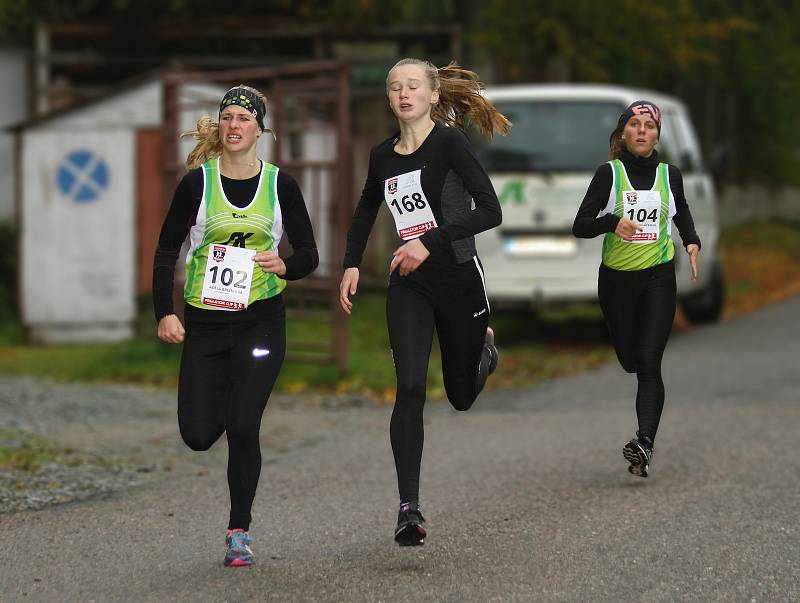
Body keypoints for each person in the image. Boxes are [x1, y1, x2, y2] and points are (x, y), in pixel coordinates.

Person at [339, 58, 510, 546]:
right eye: (395, 87)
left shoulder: (451, 143)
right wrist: (352, 261)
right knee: (410, 384)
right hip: (409, 284)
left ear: (434, 95)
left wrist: (430, 240)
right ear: (389, 99)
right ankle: (408, 508)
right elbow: (367, 206)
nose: (403, 94)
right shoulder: (382, 156)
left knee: (459, 396)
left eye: (413, 86)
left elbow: (490, 210)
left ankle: (484, 352)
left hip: (457, 278)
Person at [152, 85, 318, 566]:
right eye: (227, 117)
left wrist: (285, 265)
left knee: (244, 422)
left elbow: (309, 253)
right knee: (198, 435)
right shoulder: (196, 185)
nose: (234, 125)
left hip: (260, 322)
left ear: (261, 130)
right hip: (205, 325)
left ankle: (238, 531)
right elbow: (166, 253)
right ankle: (226, 393)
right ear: (219, 127)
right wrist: (165, 311)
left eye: (245, 118)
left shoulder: (281, 186)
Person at [572, 100, 701, 478]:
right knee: (629, 359)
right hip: (616, 282)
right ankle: (642, 435)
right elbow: (580, 225)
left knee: (649, 363)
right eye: (635, 124)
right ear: (622, 134)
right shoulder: (608, 174)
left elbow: (682, 211)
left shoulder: (669, 174)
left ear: (657, 134)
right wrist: (612, 223)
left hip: (658, 277)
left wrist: (691, 241)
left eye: (649, 125)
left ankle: (644, 443)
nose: (643, 130)